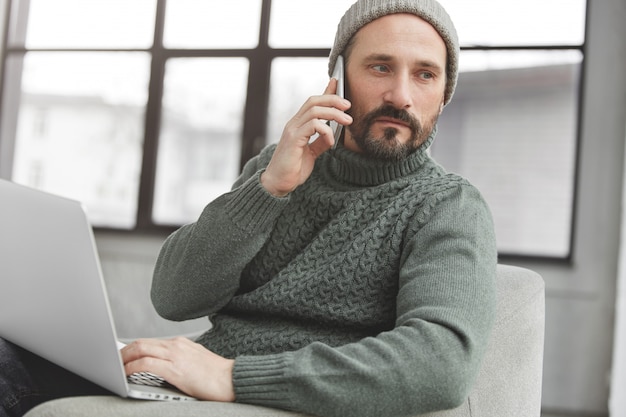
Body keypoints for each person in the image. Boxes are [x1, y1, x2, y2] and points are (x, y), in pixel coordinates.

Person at [0, 0, 497, 416]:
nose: (401, 95)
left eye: (425, 75)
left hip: (260, 395)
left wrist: (233, 376)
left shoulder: (447, 205)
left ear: (443, 95)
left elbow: (442, 361)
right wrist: (270, 188)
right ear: (339, 78)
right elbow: (174, 298)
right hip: (196, 376)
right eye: (380, 67)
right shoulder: (280, 165)